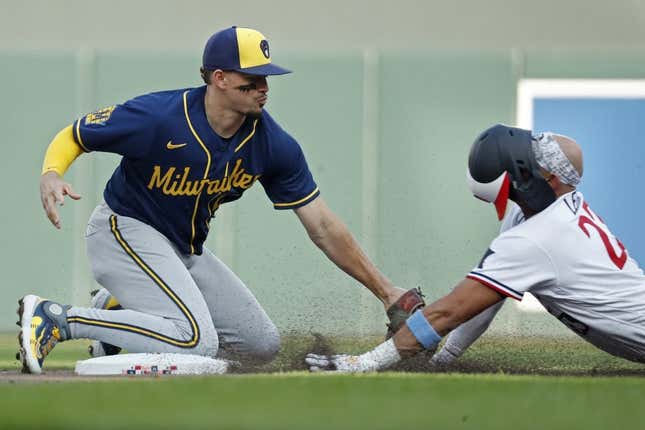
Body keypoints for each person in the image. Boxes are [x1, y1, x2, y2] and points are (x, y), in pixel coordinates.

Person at [18, 26, 411, 374]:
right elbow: (76, 134)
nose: (264, 88)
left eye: (267, 78)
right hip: (123, 230)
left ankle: (118, 311)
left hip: (184, 250)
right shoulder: (158, 116)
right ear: (219, 78)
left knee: (260, 347)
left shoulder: (272, 144)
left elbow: (323, 226)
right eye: (253, 79)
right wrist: (51, 173)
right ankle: (58, 318)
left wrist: (385, 290)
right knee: (196, 341)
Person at [306, 124, 645, 372]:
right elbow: (484, 301)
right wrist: (443, 360)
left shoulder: (537, 237)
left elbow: (448, 312)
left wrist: (365, 363)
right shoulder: (537, 212)